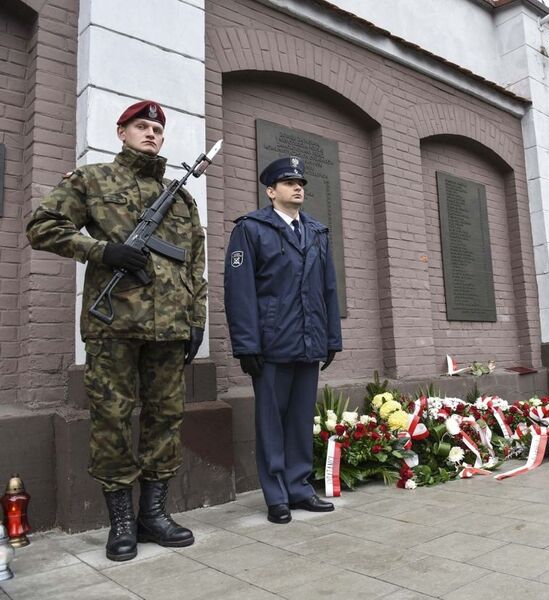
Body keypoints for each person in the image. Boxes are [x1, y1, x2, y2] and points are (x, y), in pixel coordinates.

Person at [26, 100, 206, 561]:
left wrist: (196, 320)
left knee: (164, 421)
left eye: (157, 130)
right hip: (114, 328)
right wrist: (102, 251)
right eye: (141, 127)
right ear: (121, 132)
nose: (151, 135)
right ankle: (121, 521)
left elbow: (196, 265)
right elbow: (42, 226)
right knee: (111, 424)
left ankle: (154, 515)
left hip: (169, 330)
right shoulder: (92, 180)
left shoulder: (181, 196)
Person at [224, 156, 342, 524]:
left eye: (301, 183)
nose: (298, 187)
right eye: (289, 183)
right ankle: (276, 495)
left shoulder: (317, 232)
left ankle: (299, 488)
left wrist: (331, 339)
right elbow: (239, 291)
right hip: (272, 344)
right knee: (272, 421)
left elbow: (328, 289)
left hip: (309, 342)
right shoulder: (251, 229)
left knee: (300, 418)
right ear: (270, 191)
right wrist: (247, 345)